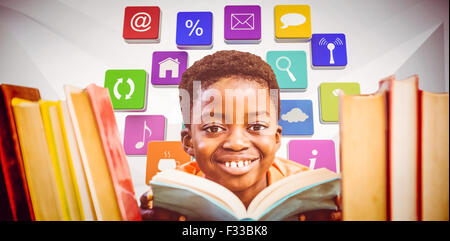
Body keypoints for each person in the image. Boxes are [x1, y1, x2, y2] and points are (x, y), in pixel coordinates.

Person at [140, 50, 341, 221]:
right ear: (189, 140)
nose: (236, 144)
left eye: (256, 126)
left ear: (276, 137)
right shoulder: (170, 195)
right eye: (213, 128)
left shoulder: (312, 193)